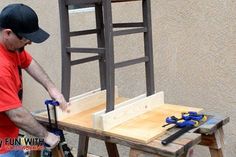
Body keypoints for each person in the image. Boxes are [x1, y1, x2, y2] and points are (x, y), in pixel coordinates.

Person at [0, 3, 70, 156]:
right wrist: (46, 136)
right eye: (26, 38)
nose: (30, 42)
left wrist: (52, 89)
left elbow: (29, 63)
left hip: (11, 138)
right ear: (8, 33)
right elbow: (17, 114)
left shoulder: (13, 47)